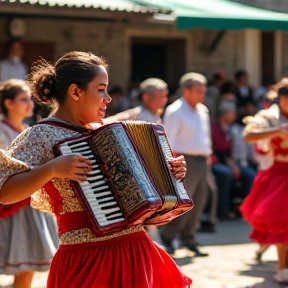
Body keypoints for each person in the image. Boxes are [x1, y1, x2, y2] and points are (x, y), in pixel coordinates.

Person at [0, 52, 192, 288]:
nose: (108, 98)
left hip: (134, 248)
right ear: (75, 92)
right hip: (86, 257)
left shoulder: (109, 131)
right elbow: (5, 193)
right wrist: (50, 170)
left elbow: (146, 194)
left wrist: (170, 172)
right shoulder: (40, 135)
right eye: (101, 89)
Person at [0, 79, 58, 288]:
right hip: (10, 205)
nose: (29, 104)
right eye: (23, 99)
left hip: (30, 204)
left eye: (30, 99)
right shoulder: (2, 131)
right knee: (18, 265)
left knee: (27, 269)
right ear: (8, 103)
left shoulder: (27, 129)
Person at [159, 72, 211, 257]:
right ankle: (168, 236)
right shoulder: (175, 110)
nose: (202, 95)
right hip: (183, 159)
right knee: (181, 202)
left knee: (198, 200)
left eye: (203, 91)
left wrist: (208, 154)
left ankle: (189, 237)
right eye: (199, 91)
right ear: (186, 91)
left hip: (202, 160)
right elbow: (168, 139)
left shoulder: (203, 110)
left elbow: (205, 136)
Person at [240, 85, 288, 283]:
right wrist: (276, 131)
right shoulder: (269, 117)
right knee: (281, 220)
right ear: (281, 99)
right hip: (276, 175)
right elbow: (248, 136)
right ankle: (281, 266)